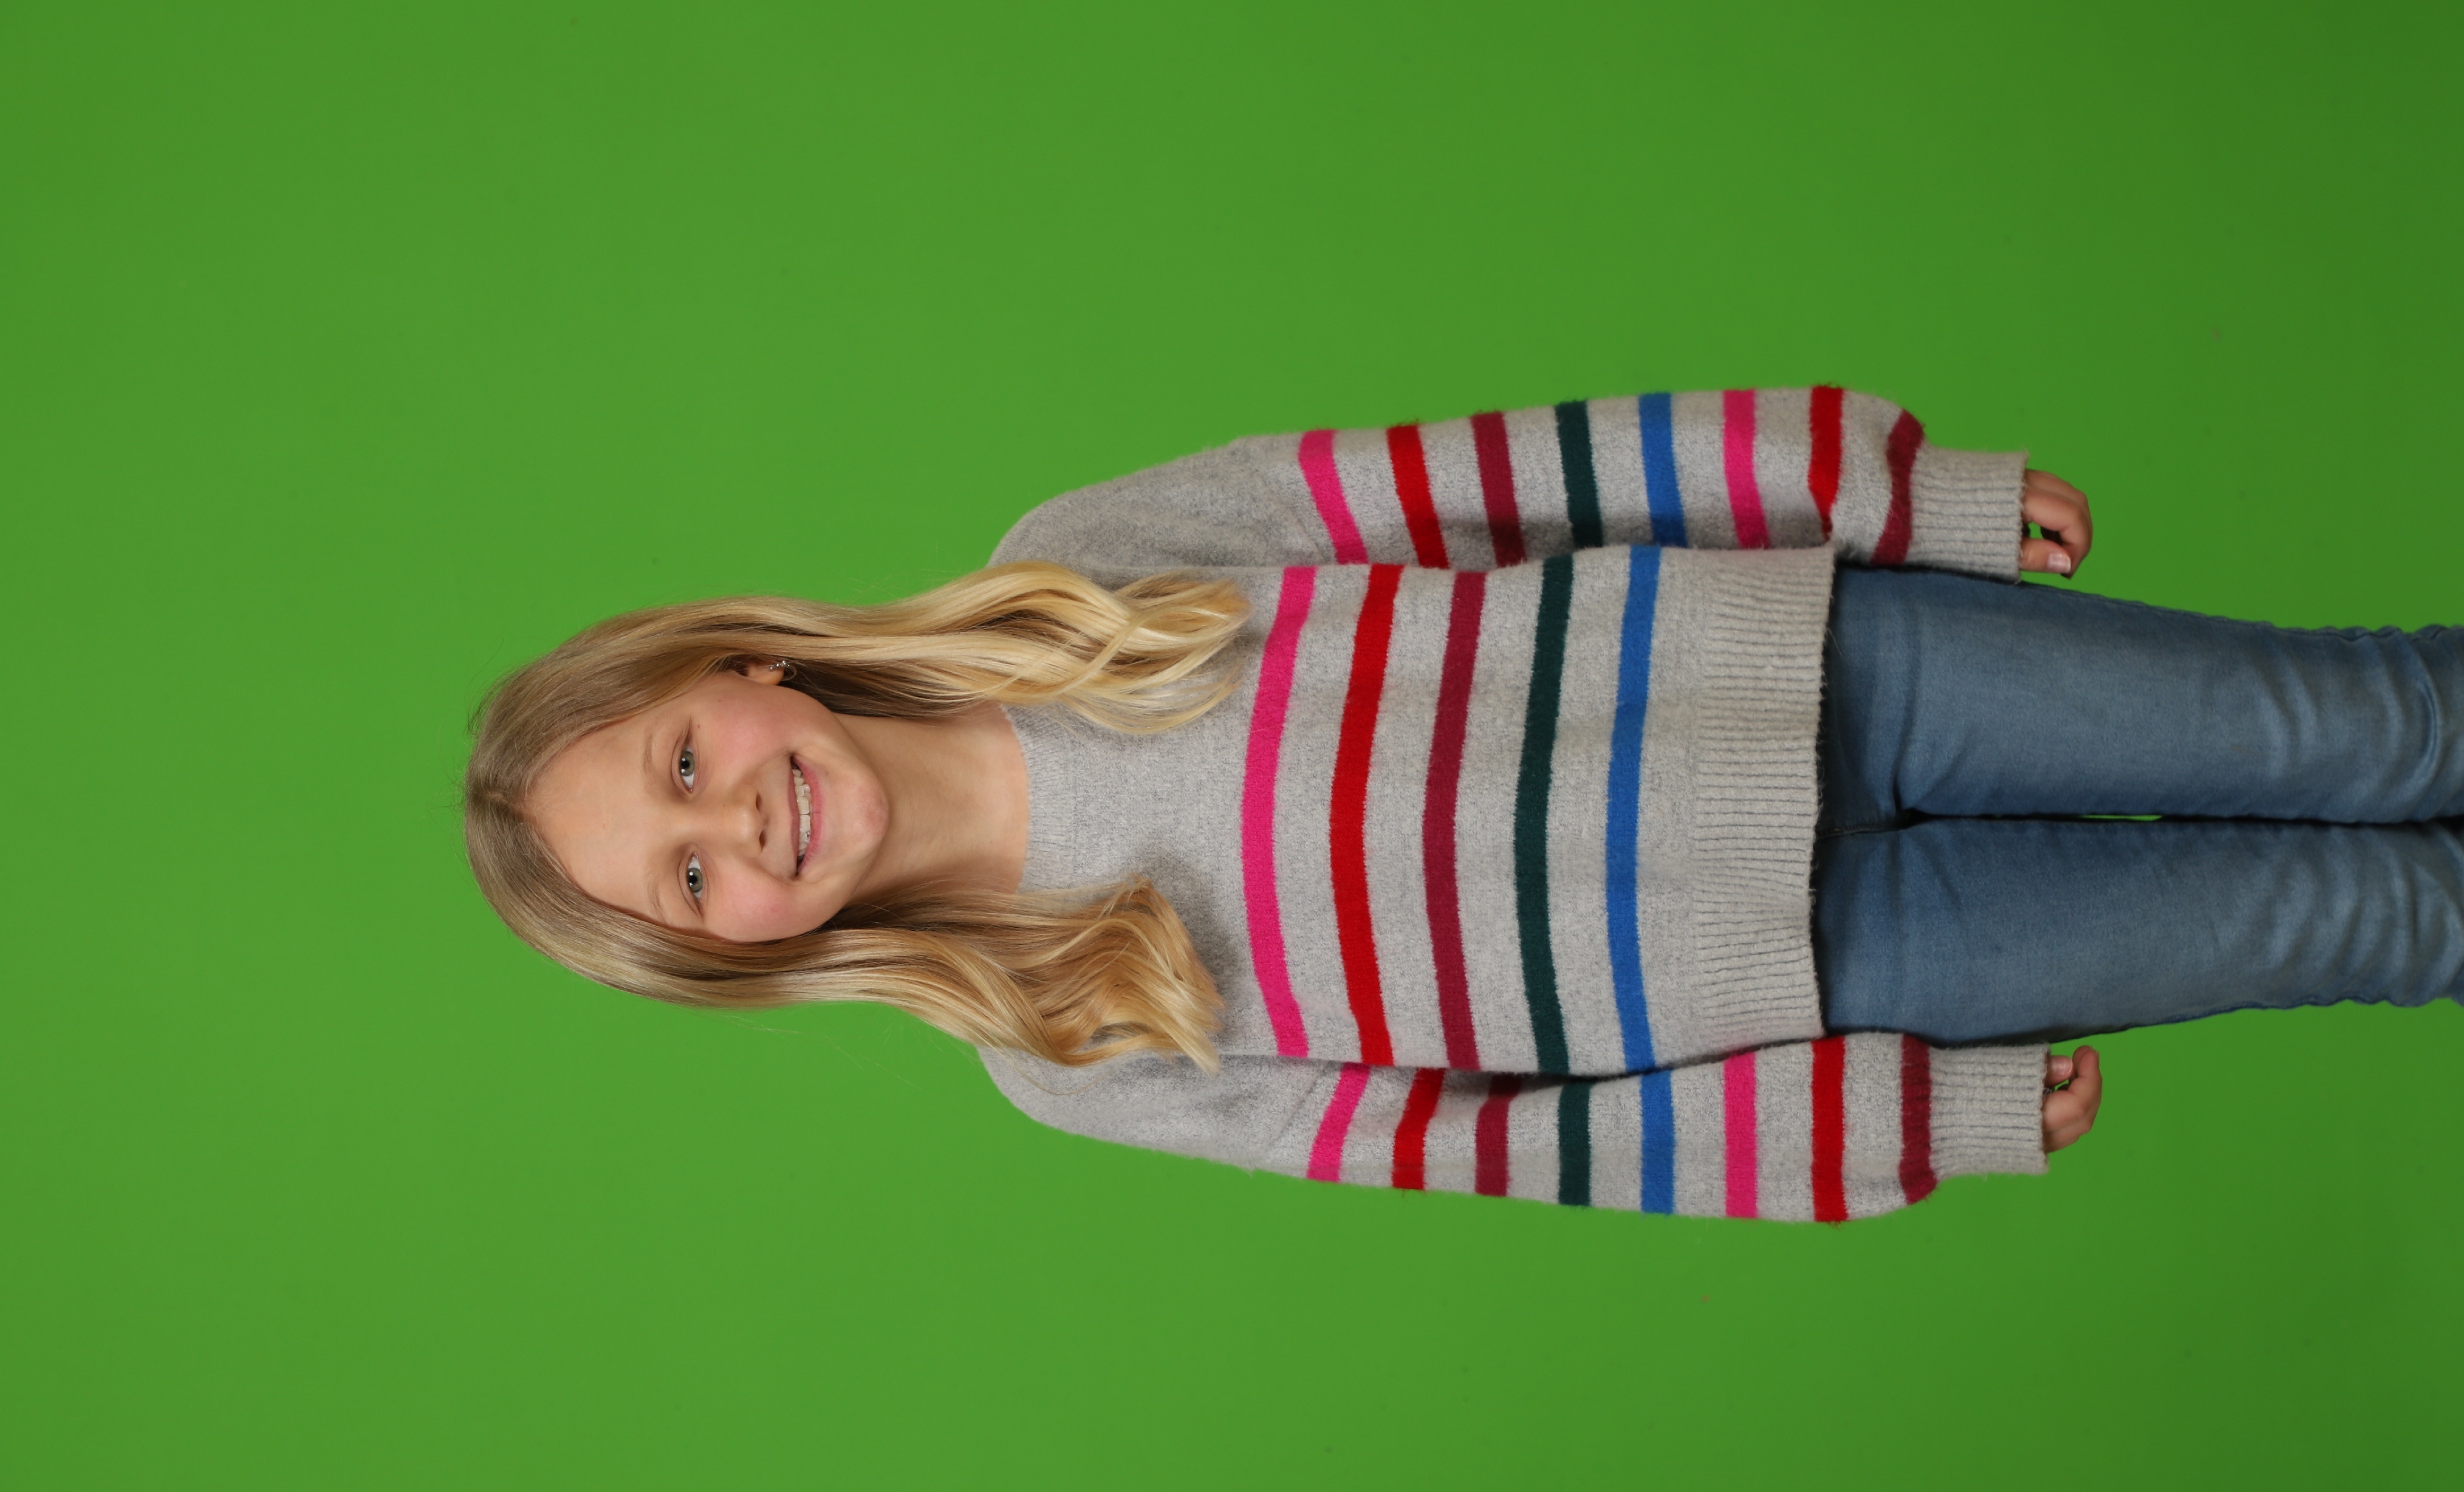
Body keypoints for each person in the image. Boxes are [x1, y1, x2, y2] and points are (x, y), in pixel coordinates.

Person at [464, 388, 2464, 1222]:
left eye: (682, 767)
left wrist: (1877, 486)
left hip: (1838, 661)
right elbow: (1499, 1145)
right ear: (736, 954)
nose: (738, 827)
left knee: (2357, 724)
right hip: (1838, 975)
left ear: (741, 669)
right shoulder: (1062, 1047)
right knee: (2356, 921)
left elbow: (1485, 481)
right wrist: (1890, 1124)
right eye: (689, 881)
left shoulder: (1075, 570)